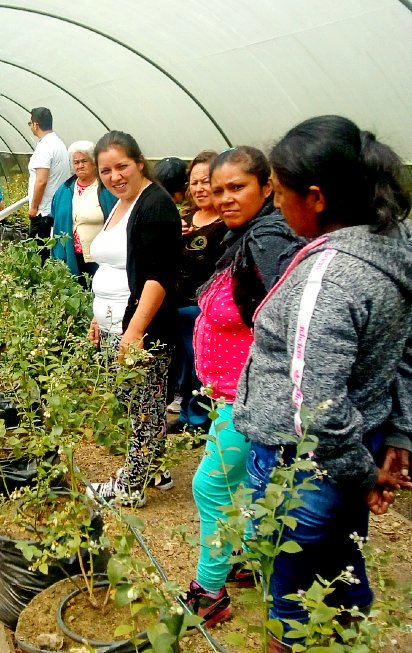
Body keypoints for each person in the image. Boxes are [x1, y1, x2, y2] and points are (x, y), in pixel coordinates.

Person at [232, 116, 412, 652]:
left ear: (316, 198)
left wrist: (362, 478)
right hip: (360, 446)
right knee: (341, 576)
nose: (278, 207)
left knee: (289, 600)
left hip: (307, 464)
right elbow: (404, 354)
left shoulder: (330, 276)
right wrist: (397, 440)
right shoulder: (392, 242)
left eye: (281, 195)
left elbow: (318, 409)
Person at [187, 146, 304, 626]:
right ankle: (243, 560)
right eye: (218, 190)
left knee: (210, 487)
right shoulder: (243, 238)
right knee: (241, 489)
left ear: (267, 188)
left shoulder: (269, 240)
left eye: (238, 187)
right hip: (229, 395)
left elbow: (286, 318)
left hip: (249, 400)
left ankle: (208, 593)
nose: (225, 198)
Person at [86, 131, 182, 507]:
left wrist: (135, 330)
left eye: (122, 166)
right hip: (114, 322)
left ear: (140, 163)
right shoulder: (123, 202)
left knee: (142, 405)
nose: (114, 176)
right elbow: (116, 265)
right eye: (105, 170)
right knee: (138, 400)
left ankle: (132, 486)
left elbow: (159, 276)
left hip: (139, 327)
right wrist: (99, 315)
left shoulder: (154, 204)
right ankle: (154, 470)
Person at [163, 151, 225, 434]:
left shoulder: (226, 225)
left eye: (206, 181)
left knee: (204, 367)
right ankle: (187, 414)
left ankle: (201, 419)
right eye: (194, 182)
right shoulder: (183, 219)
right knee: (186, 367)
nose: (200, 188)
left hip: (204, 311)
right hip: (176, 305)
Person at [50, 140, 117, 285]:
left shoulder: (105, 189)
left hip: (98, 259)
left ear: (94, 162)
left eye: (84, 161)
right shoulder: (65, 189)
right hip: (70, 255)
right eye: (76, 162)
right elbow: (55, 217)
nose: (80, 165)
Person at [27, 107, 71, 262]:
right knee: (51, 254)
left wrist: (34, 207)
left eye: (30, 123)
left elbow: (41, 180)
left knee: (38, 258)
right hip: (55, 208)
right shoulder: (58, 143)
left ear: (35, 125)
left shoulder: (45, 147)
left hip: (43, 213)